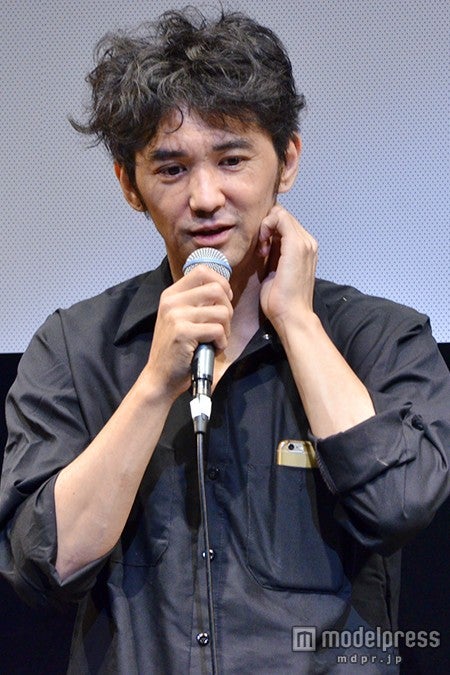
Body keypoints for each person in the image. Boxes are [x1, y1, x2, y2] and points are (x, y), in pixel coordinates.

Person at [1, 7, 449, 674]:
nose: (205, 197)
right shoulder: (75, 347)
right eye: (172, 169)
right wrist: (155, 385)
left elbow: (400, 504)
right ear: (129, 185)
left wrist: (296, 320)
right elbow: (42, 564)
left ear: (286, 160)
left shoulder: (382, 336)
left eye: (232, 159)